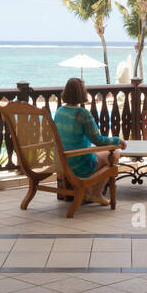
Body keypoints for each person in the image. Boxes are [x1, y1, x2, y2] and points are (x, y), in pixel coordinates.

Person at [52, 77, 124, 205]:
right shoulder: (82, 113)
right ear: (82, 93)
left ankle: (89, 191)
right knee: (114, 154)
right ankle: (95, 193)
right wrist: (118, 140)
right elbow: (99, 140)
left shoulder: (59, 112)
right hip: (79, 164)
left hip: (63, 162)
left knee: (100, 154)